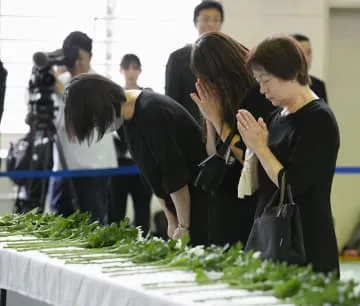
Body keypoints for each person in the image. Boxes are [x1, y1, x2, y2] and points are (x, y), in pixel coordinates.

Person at [63, 74, 210, 246]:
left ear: (99, 105)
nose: (98, 126)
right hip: (184, 203)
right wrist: (171, 218)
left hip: (203, 198)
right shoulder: (125, 122)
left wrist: (184, 225)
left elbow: (174, 174)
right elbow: (152, 175)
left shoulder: (151, 111)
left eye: (95, 120)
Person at [237, 35, 340, 276]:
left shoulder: (318, 118)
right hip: (273, 233)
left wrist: (261, 148)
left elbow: (293, 184)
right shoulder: (278, 116)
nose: (262, 90)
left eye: (266, 81)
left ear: (290, 72)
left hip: (305, 239)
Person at [189, 32, 276, 246]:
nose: (207, 84)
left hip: (249, 200)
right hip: (224, 197)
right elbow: (213, 153)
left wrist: (219, 121)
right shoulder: (222, 97)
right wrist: (208, 117)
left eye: (209, 77)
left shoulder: (257, 95)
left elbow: (250, 159)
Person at [50, 31, 117, 224]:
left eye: (80, 56)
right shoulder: (57, 83)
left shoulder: (101, 84)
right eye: (72, 56)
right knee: (59, 224)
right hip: (63, 168)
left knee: (93, 225)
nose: (77, 62)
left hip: (94, 168)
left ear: (89, 55)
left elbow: (105, 122)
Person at [110, 54, 153, 234]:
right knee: (115, 211)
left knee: (142, 210)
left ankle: (143, 245)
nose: (131, 72)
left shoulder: (147, 95)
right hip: (118, 162)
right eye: (127, 68)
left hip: (142, 162)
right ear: (121, 70)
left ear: (140, 70)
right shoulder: (113, 96)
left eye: (134, 68)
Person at [165, 1, 224, 122]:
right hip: (188, 127)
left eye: (216, 19)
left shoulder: (227, 57)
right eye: (205, 19)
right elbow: (171, 101)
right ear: (195, 23)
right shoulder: (178, 58)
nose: (211, 24)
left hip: (223, 127)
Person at [291, 34, 328, 103]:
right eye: (301, 53)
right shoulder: (280, 86)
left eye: (309, 52)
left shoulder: (318, 85)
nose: (307, 59)